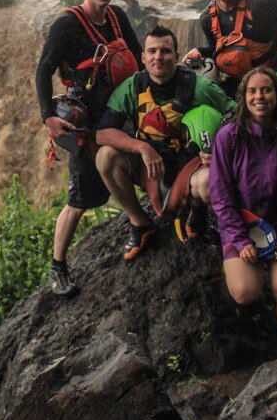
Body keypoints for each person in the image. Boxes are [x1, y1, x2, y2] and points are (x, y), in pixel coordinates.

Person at [35, 0, 143, 297]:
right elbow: (43, 70)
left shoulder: (118, 17)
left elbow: (139, 58)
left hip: (117, 114)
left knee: (135, 168)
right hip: (84, 124)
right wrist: (46, 117)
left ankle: (139, 225)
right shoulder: (67, 24)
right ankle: (57, 267)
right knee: (80, 200)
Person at [95, 25, 236, 259]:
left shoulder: (199, 86)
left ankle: (196, 211)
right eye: (151, 51)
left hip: (190, 164)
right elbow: (103, 133)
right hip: (150, 163)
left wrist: (218, 150)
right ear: (143, 57)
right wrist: (142, 147)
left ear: (177, 56)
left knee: (209, 184)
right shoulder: (133, 86)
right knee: (105, 157)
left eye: (165, 51)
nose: (158, 57)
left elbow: (234, 116)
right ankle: (140, 222)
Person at [210, 67, 277, 349]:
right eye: (252, 91)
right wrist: (239, 239)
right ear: (244, 97)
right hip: (241, 228)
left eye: (266, 90)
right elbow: (221, 195)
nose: (259, 97)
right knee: (244, 292)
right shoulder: (228, 137)